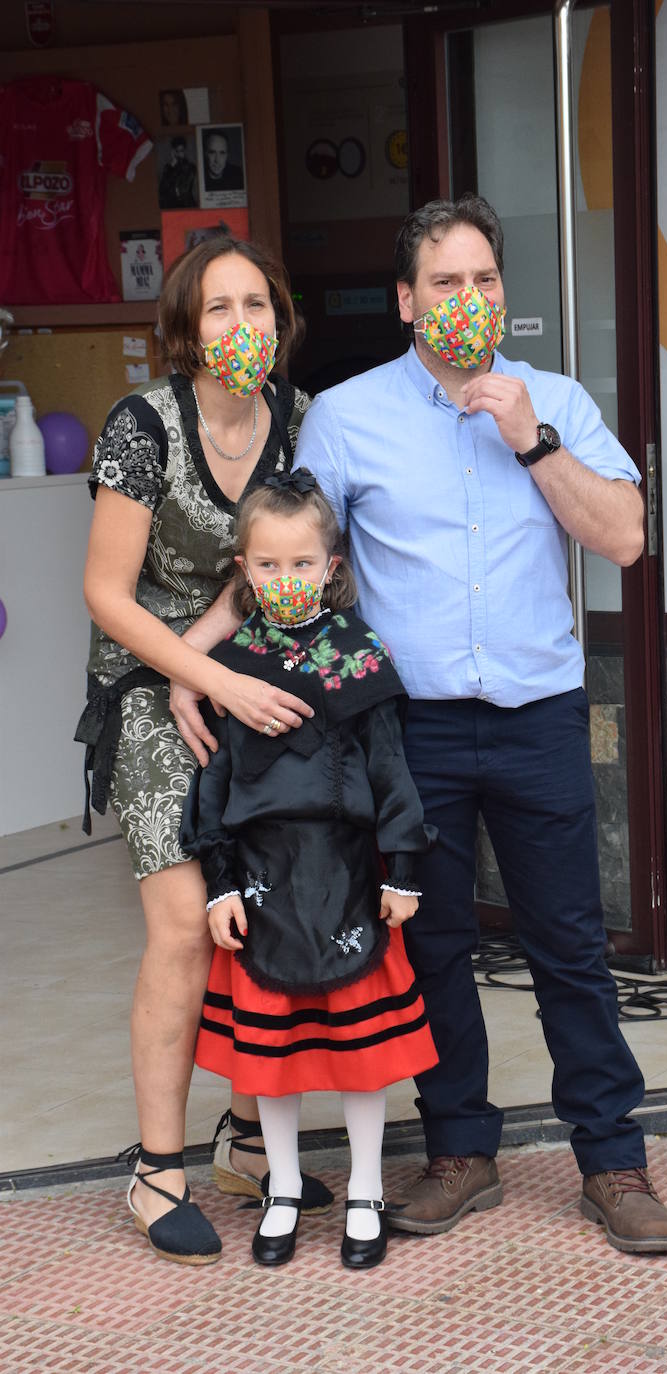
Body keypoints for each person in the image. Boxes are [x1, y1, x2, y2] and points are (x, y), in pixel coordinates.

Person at [290, 193, 667, 1255]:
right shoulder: (344, 415)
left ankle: (612, 1159)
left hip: (535, 716)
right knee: (434, 947)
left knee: (568, 946)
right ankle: (459, 1150)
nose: (470, 300)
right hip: (409, 730)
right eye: (448, 283)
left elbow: (626, 537)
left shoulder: (552, 400)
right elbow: (288, 563)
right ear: (408, 300)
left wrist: (532, 439)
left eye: (486, 280)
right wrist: (202, 668)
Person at [76, 236, 333, 1266]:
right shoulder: (142, 426)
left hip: (242, 669)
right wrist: (191, 672)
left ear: (280, 321)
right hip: (146, 689)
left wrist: (215, 659)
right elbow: (102, 589)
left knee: (263, 913)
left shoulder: (300, 420)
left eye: (257, 307)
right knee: (185, 925)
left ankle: (242, 1140)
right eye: (219, 310)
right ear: (187, 329)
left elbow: (266, 559)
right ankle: (154, 1169)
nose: (241, 327)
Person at [180, 472, 438, 1269]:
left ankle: (364, 1188)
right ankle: (282, 1188)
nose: (285, 580)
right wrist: (219, 881)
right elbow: (213, 784)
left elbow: (392, 769)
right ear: (243, 569)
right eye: (267, 566)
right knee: (274, 1055)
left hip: (349, 878)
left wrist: (402, 869)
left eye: (301, 564)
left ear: (331, 564)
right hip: (262, 885)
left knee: (361, 1053)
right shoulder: (230, 665)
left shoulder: (362, 658)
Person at [158, 136, 197, 210]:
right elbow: (162, 189)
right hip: (171, 206)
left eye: (181, 151)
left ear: (184, 151)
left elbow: (184, 189)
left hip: (186, 205)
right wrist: (172, 167)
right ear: (173, 152)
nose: (179, 154)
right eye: (176, 151)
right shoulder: (168, 168)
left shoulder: (190, 167)